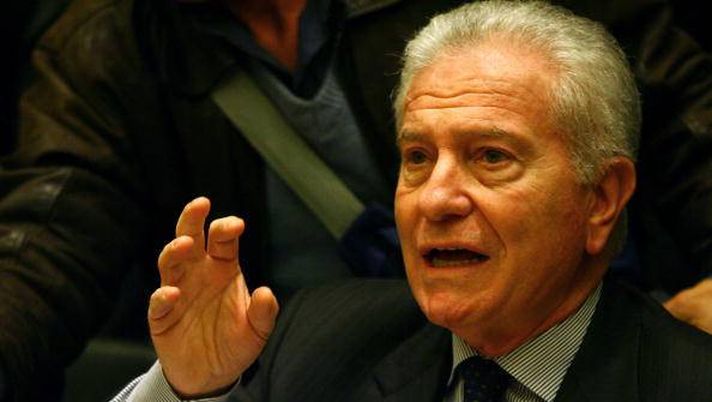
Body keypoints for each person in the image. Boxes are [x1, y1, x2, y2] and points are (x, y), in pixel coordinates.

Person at [2, 0, 712, 400]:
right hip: (319, 351)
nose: (437, 197)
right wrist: (200, 392)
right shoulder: (109, 42)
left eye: (489, 157)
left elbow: (686, 111)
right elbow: (38, 250)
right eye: (416, 158)